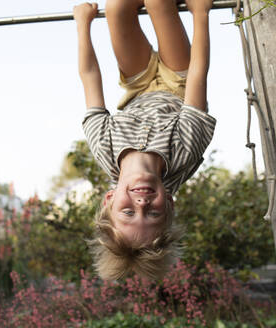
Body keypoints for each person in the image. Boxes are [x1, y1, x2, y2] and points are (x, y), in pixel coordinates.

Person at [74, 0, 216, 281]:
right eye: (152, 215)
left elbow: (89, 77)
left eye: (128, 212)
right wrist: (201, 13)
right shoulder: (183, 153)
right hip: (180, 82)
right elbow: (199, 73)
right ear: (170, 206)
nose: (142, 203)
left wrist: (83, 25)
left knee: (115, 7)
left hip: (137, 87)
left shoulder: (105, 147)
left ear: (110, 200)